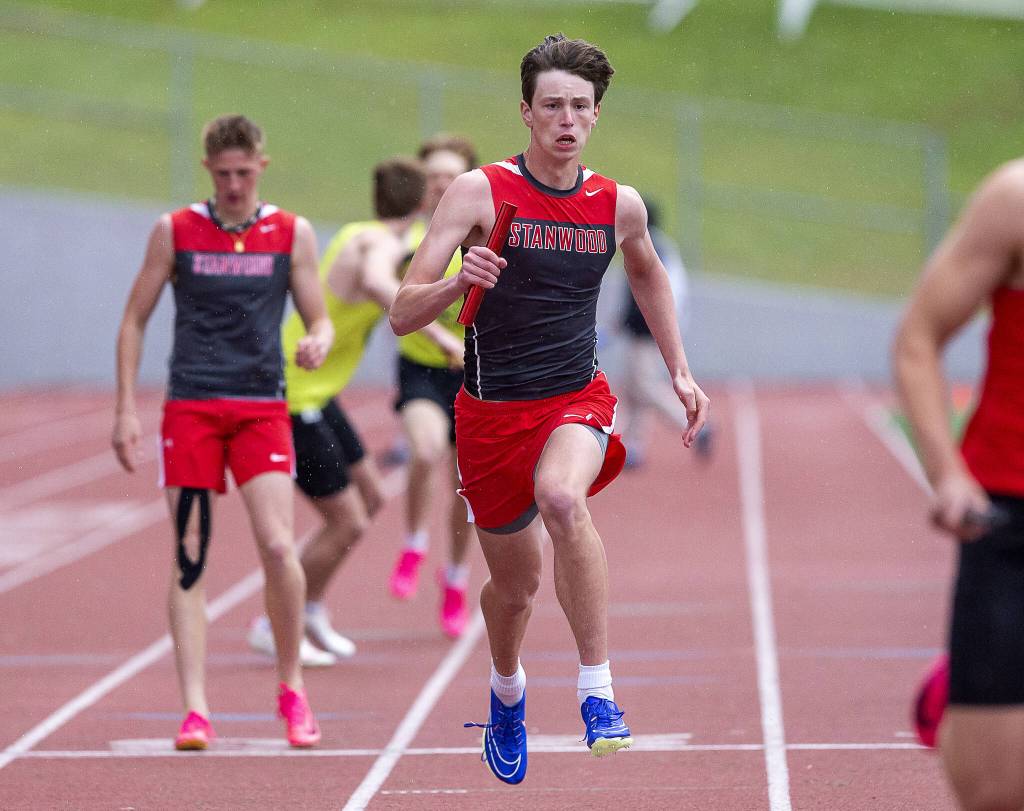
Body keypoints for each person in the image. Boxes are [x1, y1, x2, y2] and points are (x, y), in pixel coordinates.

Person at [391, 35, 710, 784]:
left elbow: (650, 277)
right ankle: (507, 693)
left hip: (575, 397)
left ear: (595, 116)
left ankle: (598, 691)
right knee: (514, 589)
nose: (567, 118)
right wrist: (455, 282)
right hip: (491, 413)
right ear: (527, 112)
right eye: (553, 105)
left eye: (580, 106)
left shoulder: (616, 204)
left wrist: (681, 371)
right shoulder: (478, 192)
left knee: (564, 499)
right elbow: (404, 312)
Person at [112, 114, 331, 750]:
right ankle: (195, 709)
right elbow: (134, 319)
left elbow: (318, 318)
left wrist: (317, 341)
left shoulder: (291, 232)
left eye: (245, 172)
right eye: (224, 174)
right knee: (189, 557)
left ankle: (291, 686)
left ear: (262, 165)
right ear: (208, 170)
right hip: (192, 408)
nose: (234, 184)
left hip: (261, 406)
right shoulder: (175, 230)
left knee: (279, 548)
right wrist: (125, 406)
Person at [245, 157, 464, 661]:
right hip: (293, 397)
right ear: (419, 202)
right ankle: (274, 621)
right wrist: (432, 330)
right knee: (346, 521)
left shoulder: (362, 231)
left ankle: (312, 608)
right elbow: (376, 278)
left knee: (369, 496)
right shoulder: (379, 244)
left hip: (318, 395)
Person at [893, 158, 1024, 811]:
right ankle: (967, 690)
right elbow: (918, 337)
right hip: (1010, 519)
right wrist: (948, 472)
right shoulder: (1015, 198)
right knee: (996, 791)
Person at [387, 134, 479, 639]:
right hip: (422, 370)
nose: (442, 183)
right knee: (424, 450)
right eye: (434, 176)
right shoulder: (405, 240)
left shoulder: (486, 229)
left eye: (451, 174)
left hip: (475, 373)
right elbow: (393, 302)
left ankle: (456, 579)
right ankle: (415, 542)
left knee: (467, 491)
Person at [617, 197, 712, 468]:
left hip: (646, 328)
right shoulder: (662, 244)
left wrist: (626, 323)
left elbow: (648, 291)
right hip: (648, 326)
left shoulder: (650, 246)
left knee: (643, 385)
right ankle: (633, 446)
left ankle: (694, 424)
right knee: (634, 388)